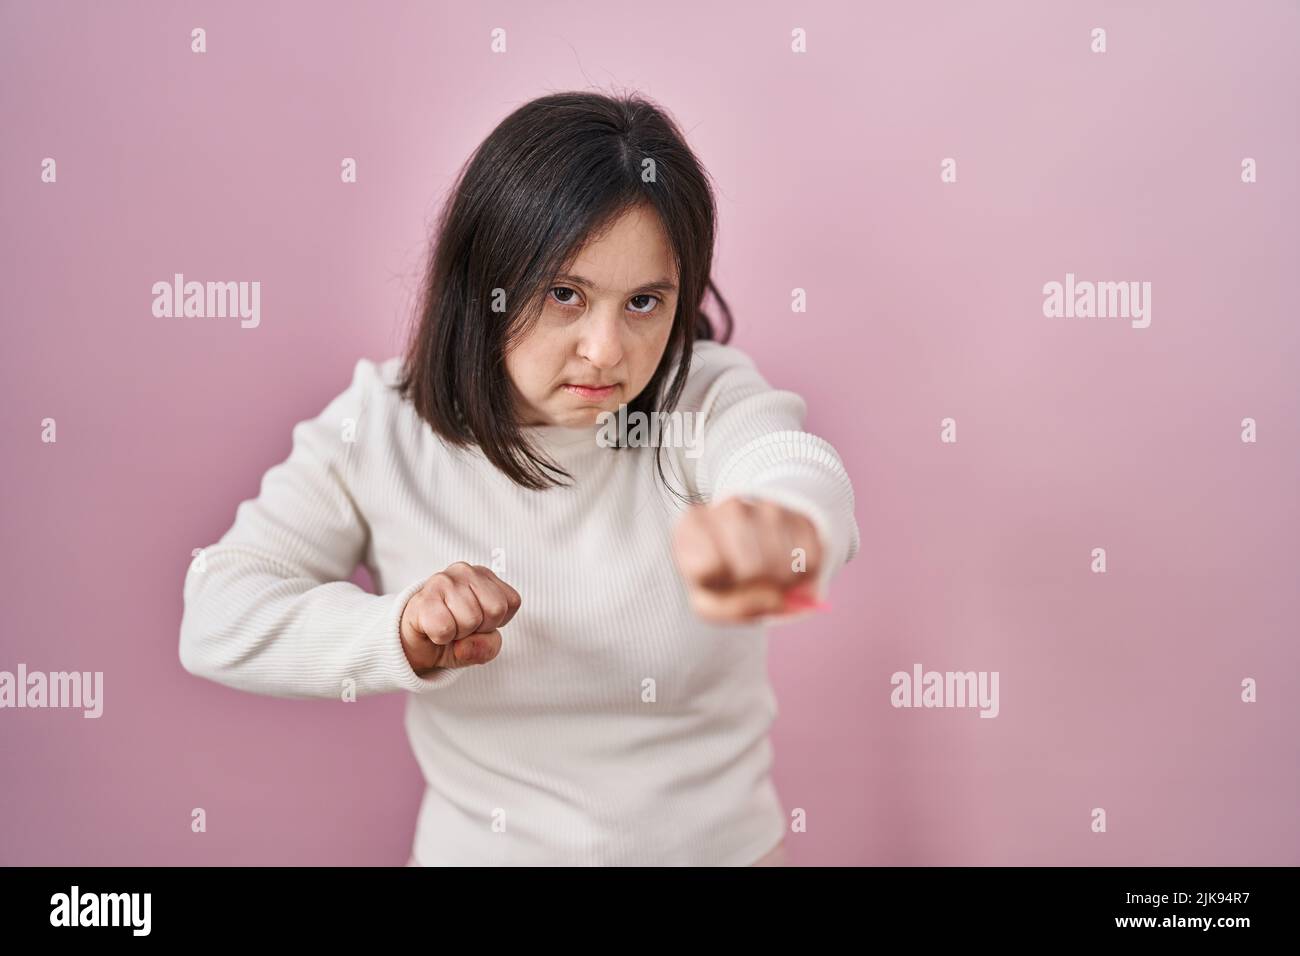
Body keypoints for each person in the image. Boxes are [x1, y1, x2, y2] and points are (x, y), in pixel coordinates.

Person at [179, 91, 860, 866]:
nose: (606, 350)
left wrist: (782, 532)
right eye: (564, 295)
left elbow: (788, 464)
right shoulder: (382, 427)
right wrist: (396, 631)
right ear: (485, 283)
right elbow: (217, 613)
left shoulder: (699, 396)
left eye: (644, 302)